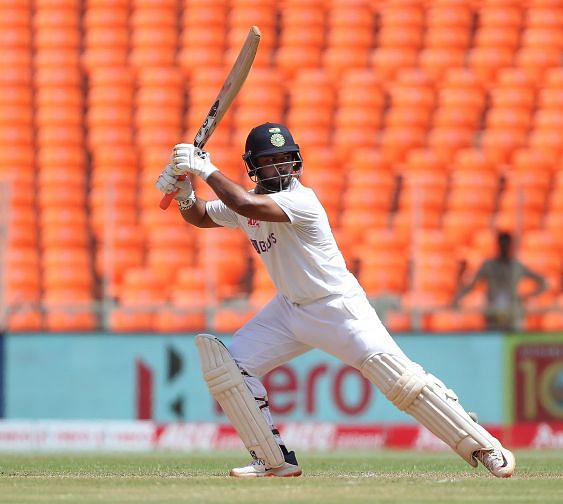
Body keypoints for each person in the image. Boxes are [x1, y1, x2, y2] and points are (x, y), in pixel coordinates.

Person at [155, 122, 516, 479]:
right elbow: (202, 216)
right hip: (289, 309)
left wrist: (205, 168)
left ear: (297, 161)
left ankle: (485, 446)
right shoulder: (248, 202)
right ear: (254, 166)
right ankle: (272, 459)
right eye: (270, 160)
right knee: (229, 368)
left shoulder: (301, 200)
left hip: (337, 306)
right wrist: (187, 193)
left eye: (286, 159)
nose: (280, 167)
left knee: (400, 381)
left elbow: (245, 203)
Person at [452, 232, 547, 331]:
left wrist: (526, 296)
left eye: (506, 245)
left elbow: (544, 283)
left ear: (510, 246)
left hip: (512, 316)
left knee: (513, 341)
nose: (504, 248)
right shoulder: (489, 266)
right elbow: (471, 285)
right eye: (502, 244)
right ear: (498, 245)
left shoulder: (516, 266)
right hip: (494, 315)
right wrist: (458, 298)